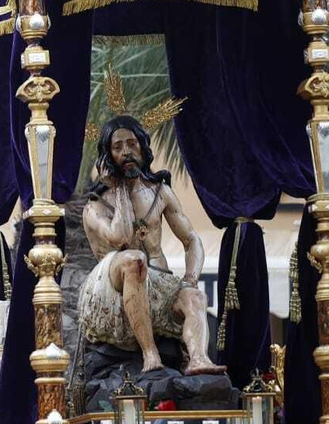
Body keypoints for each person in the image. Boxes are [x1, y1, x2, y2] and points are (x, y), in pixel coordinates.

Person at [80, 115, 225, 375]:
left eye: (131, 144)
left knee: (195, 296)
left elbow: (192, 240)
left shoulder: (161, 192)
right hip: (111, 287)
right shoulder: (95, 204)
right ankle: (150, 354)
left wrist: (190, 280)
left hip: (159, 283)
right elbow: (121, 238)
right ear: (106, 156)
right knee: (134, 259)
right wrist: (119, 188)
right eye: (117, 147)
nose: (126, 152)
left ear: (143, 147)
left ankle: (198, 359)